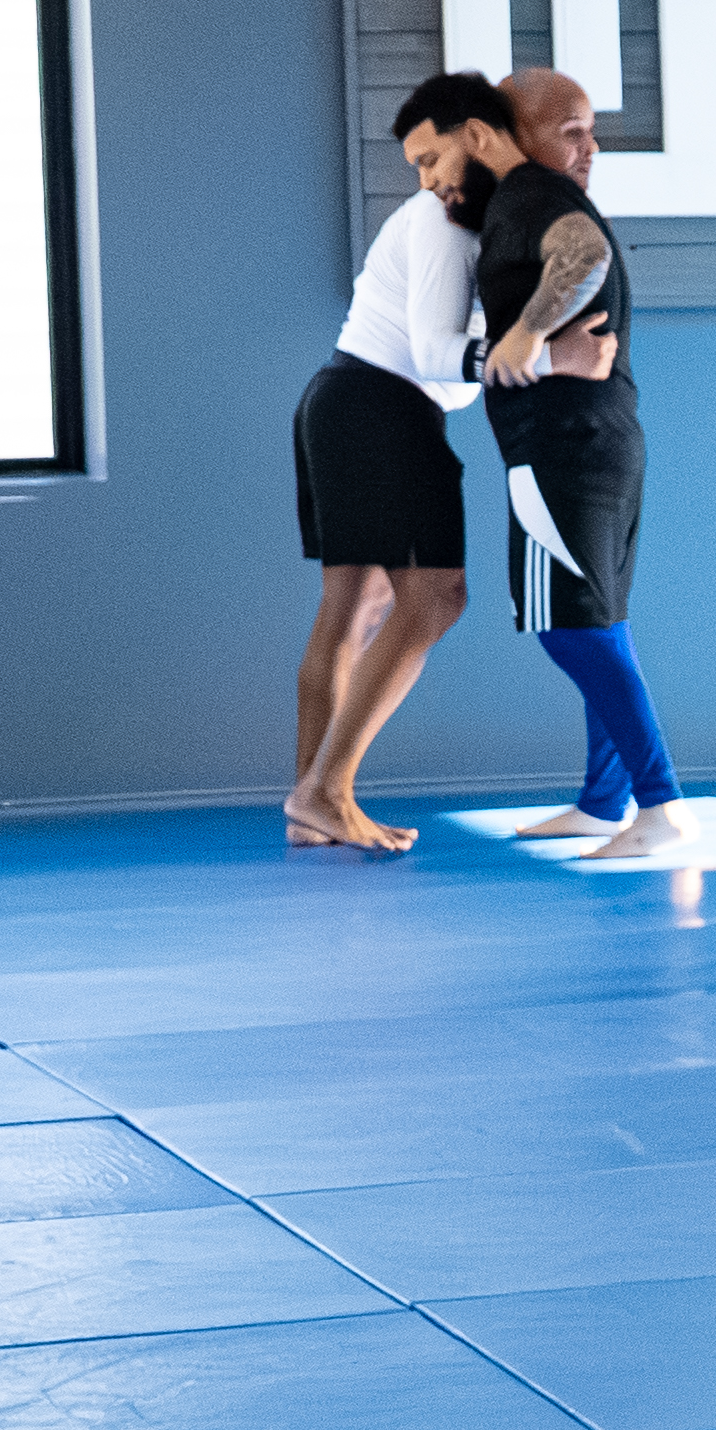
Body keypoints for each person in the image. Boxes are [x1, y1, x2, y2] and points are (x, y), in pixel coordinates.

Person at [286, 76, 507, 853]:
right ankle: (325, 791)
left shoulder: (459, 218)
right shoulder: (442, 222)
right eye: (419, 164)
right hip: (380, 407)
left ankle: (314, 805)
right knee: (434, 599)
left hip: (343, 398)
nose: (428, 178)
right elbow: (432, 353)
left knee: (355, 610)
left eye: (429, 157)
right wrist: (535, 355)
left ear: (474, 133)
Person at [471, 63, 684, 865]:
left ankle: (659, 803)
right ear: (512, 132)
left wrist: (526, 333)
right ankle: (605, 801)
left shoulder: (532, 193)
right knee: (600, 623)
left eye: (590, 131)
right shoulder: (536, 194)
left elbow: (585, 254)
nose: (589, 147)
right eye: (572, 132)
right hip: (599, 442)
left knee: (567, 629)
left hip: (562, 448)